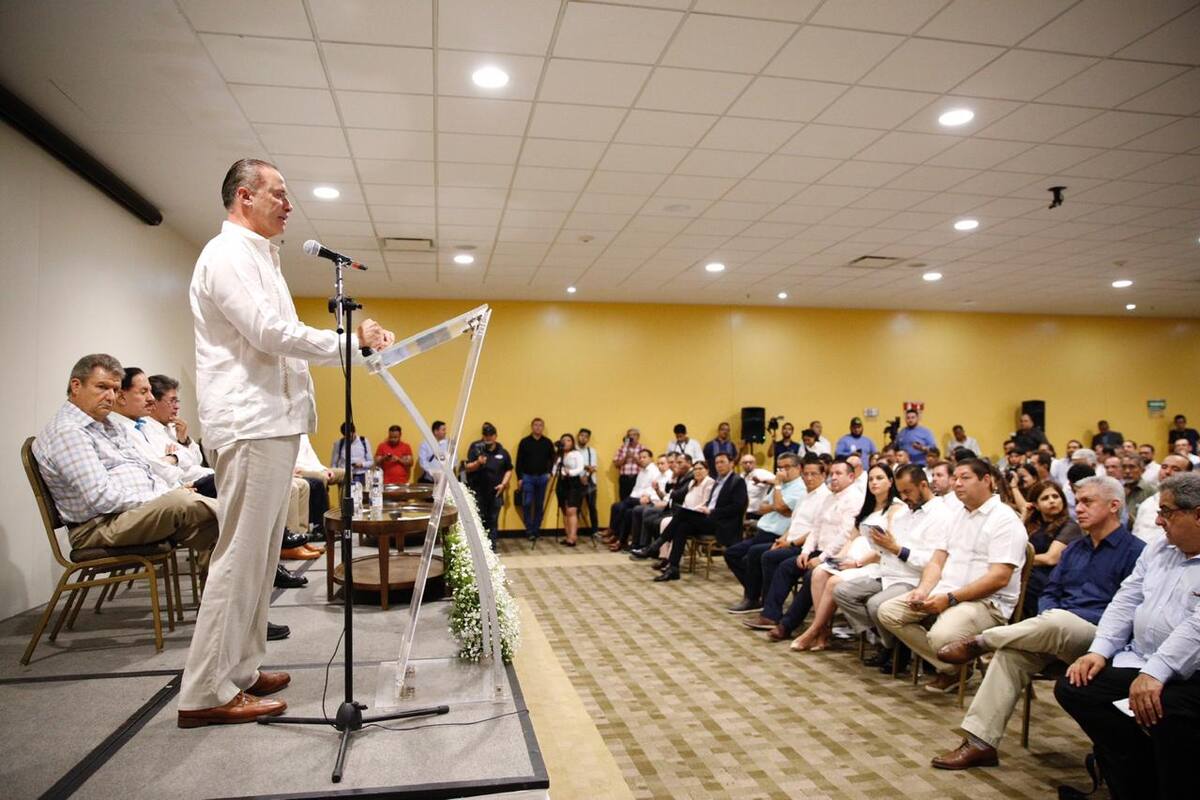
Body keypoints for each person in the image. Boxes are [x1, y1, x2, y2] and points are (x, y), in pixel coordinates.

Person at [178, 158, 395, 727]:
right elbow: (269, 334)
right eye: (279, 193)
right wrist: (349, 342)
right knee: (239, 560)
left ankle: (241, 671)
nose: (288, 204)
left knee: (260, 559)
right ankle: (204, 691)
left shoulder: (260, 259)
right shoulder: (226, 255)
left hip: (272, 423)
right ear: (244, 197)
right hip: (250, 424)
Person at [930, 476, 1143, 770]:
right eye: (1077, 502)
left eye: (1087, 502)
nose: (1078, 508)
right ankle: (980, 743)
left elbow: (1129, 612)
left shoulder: (1136, 552)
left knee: (1059, 621)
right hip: (1052, 629)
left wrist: (1055, 619)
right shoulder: (1075, 550)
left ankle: (983, 641)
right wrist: (1048, 618)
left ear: (1114, 506)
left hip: (1101, 639)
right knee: (1012, 654)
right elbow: (1050, 593)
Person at [1054, 473, 1200, 800]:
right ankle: (1136, 780)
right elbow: (1127, 599)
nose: (1158, 520)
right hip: (1145, 660)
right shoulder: (1160, 549)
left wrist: (1155, 673)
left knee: (1166, 710)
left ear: (1198, 515)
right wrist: (1099, 651)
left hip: (1190, 673)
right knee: (1076, 687)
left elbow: (1197, 628)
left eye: (1168, 512)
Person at [34, 353, 219, 563]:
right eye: (102, 387)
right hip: (99, 526)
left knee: (211, 528)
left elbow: (145, 471)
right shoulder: (68, 432)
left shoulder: (107, 425)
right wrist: (164, 496)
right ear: (76, 386)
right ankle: (241, 518)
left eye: (114, 389)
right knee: (187, 503)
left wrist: (167, 492)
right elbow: (102, 497)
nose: (111, 396)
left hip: (128, 515)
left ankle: (225, 594)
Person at [876, 459, 1028, 694]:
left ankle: (953, 663)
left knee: (940, 637)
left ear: (986, 480)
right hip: (947, 592)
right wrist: (923, 590)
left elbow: (999, 578)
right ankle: (954, 668)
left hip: (987, 603)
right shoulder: (956, 514)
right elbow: (937, 560)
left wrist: (950, 599)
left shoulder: (1005, 519)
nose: (957, 484)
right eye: (955, 478)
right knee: (889, 612)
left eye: (964, 478)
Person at [837, 464, 955, 670]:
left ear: (923, 485)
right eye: (900, 492)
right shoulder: (904, 513)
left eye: (907, 492)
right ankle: (892, 642)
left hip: (915, 578)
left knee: (876, 605)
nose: (904, 498)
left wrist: (896, 549)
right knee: (842, 591)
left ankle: (894, 648)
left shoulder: (942, 515)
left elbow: (932, 561)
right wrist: (879, 544)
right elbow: (891, 548)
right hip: (888, 571)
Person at [788, 463, 902, 650]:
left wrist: (856, 563)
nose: (874, 482)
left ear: (890, 482)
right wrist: (839, 559)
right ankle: (823, 631)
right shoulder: (869, 506)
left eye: (879, 478)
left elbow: (886, 547)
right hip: (854, 556)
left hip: (875, 562)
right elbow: (852, 536)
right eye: (871, 479)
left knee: (833, 582)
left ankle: (814, 630)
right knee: (819, 573)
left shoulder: (895, 508)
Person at [760, 460, 863, 640]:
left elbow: (844, 534)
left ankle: (787, 625)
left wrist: (822, 558)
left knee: (811, 577)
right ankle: (771, 615)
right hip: (818, 550)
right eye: (833, 474)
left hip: (840, 554)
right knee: (786, 567)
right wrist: (805, 552)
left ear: (851, 477)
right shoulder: (830, 496)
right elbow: (815, 528)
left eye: (839, 474)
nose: (834, 478)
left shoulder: (855, 498)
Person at [725, 452, 806, 615]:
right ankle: (755, 590)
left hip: (777, 535)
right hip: (762, 531)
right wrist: (776, 505)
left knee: (753, 556)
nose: (782, 471)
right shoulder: (783, 485)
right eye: (780, 467)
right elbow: (762, 507)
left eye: (787, 467)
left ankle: (752, 596)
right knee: (731, 554)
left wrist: (776, 488)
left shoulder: (799, 487)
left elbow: (782, 508)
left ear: (798, 468)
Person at [651, 454, 746, 581]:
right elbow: (711, 501)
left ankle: (658, 543)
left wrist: (712, 511)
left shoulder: (737, 481)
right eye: (717, 462)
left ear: (732, 464)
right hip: (709, 518)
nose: (719, 465)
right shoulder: (718, 481)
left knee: (682, 513)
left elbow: (737, 507)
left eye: (722, 462)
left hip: (722, 523)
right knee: (682, 526)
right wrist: (705, 507)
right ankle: (673, 568)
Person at [1021, 481, 1083, 620]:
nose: (1052, 501)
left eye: (1055, 496)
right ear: (1035, 505)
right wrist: (1024, 516)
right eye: (1045, 498)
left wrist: (1017, 560)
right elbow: (1011, 544)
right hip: (1031, 572)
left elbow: (1051, 558)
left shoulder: (1070, 526)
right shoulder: (1034, 525)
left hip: (1052, 578)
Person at [465, 422, 513, 549]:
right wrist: (478, 462)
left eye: (491, 435)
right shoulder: (476, 449)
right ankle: (479, 548)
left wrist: (503, 484)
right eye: (486, 435)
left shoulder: (503, 452)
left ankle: (491, 547)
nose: (488, 437)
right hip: (479, 491)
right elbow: (467, 468)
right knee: (479, 520)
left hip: (496, 492)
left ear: (495, 436)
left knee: (493, 520)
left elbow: (509, 469)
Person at [602, 449, 659, 550]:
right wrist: (631, 498)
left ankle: (615, 533)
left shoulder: (654, 471)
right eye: (640, 457)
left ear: (651, 458)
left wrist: (645, 497)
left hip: (647, 499)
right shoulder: (642, 471)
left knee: (622, 507)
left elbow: (653, 488)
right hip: (636, 497)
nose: (641, 459)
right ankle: (618, 537)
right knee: (619, 507)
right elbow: (636, 488)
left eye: (644, 457)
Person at [1130, 453, 1192, 543]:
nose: (1167, 472)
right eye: (1164, 467)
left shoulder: (1191, 505)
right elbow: (1135, 533)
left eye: (1175, 469)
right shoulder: (1148, 502)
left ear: (1188, 475)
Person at [516, 417, 555, 541]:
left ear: (543, 428)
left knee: (539, 504)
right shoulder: (524, 442)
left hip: (543, 477)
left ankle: (536, 530)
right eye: (536, 425)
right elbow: (519, 461)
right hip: (527, 476)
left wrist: (550, 473)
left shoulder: (548, 442)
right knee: (527, 503)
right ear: (532, 427)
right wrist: (519, 477)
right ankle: (529, 529)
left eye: (540, 425)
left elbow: (553, 459)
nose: (538, 427)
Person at [553, 433, 585, 547]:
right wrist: (561, 472)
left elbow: (580, 468)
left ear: (572, 442)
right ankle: (567, 536)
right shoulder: (559, 455)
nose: (565, 442)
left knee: (572, 510)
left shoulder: (576, 454)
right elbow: (554, 470)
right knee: (564, 511)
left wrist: (569, 472)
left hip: (574, 483)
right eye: (563, 440)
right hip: (561, 483)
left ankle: (573, 536)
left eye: (568, 440)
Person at [330, 422, 371, 486]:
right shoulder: (339, 444)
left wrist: (362, 464)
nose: (349, 438)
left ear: (354, 432)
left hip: (361, 475)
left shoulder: (364, 441)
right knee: (344, 495)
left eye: (350, 435)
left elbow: (371, 462)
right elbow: (334, 463)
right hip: (345, 476)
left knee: (360, 495)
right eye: (346, 436)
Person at [576, 428, 599, 538]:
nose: (583, 438)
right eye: (581, 435)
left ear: (588, 439)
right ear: (577, 436)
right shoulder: (573, 451)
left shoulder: (592, 451)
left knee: (592, 507)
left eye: (586, 436)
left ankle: (595, 530)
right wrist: (583, 470)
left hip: (590, 482)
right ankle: (574, 530)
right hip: (576, 483)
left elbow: (593, 467)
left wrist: (585, 473)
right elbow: (572, 466)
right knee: (576, 507)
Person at [738, 453, 776, 520]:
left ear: (755, 463)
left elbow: (778, 481)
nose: (748, 464)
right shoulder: (740, 476)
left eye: (750, 462)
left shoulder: (761, 473)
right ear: (741, 464)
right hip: (742, 512)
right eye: (745, 462)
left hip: (757, 512)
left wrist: (762, 481)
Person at [1121, 454, 1155, 518]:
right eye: (1124, 467)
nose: (1127, 471)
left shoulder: (1152, 491)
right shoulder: (1118, 490)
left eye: (1132, 467)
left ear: (1142, 470)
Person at [612, 428, 642, 500]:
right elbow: (616, 464)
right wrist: (625, 457)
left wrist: (634, 457)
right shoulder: (622, 448)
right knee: (624, 499)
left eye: (634, 435)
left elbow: (645, 465)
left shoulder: (642, 448)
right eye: (629, 435)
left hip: (638, 478)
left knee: (636, 499)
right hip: (624, 479)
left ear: (638, 436)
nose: (631, 437)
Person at [416, 419, 450, 484]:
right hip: (429, 480)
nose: (445, 432)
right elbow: (423, 461)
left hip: (445, 480)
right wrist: (433, 473)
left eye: (445, 430)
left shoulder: (449, 444)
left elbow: (453, 459)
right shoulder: (425, 444)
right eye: (443, 430)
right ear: (436, 431)